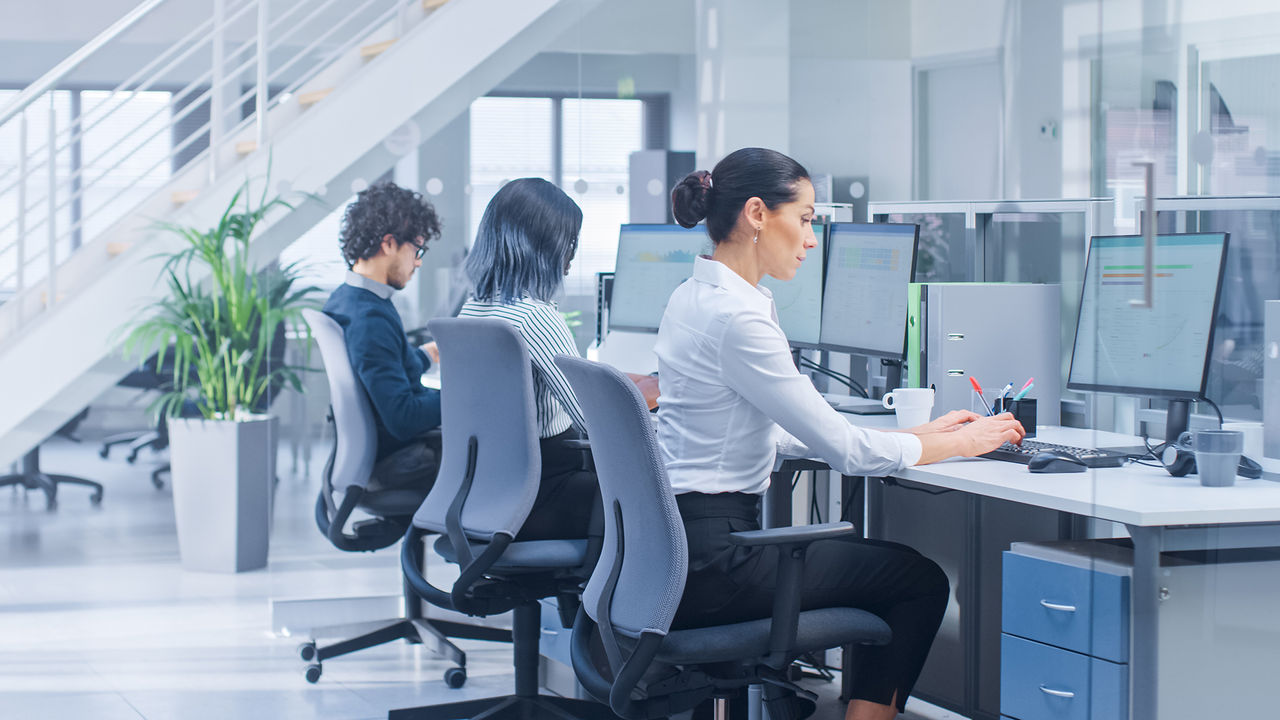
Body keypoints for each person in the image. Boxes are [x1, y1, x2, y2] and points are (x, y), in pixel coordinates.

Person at [658, 148, 1025, 720]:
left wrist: (919, 435)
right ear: (757, 213)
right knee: (918, 581)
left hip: (677, 553)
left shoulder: (697, 297)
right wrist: (954, 443)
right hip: (717, 566)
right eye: (804, 219)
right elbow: (849, 453)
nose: (810, 238)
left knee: (889, 567)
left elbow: (764, 432)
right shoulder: (739, 317)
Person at [458, 177, 659, 540]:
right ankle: (615, 597)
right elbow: (593, 417)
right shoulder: (535, 316)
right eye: (569, 241)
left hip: (487, 499)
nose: (571, 254)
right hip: (541, 500)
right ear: (546, 246)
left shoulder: (471, 311)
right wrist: (657, 391)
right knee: (652, 498)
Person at [323, 182, 445, 493]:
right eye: (416, 250)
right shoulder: (370, 320)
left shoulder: (348, 299)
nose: (418, 262)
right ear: (389, 243)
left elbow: (385, 367)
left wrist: (426, 354)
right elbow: (403, 417)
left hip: (384, 450)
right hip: (401, 459)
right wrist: (468, 396)